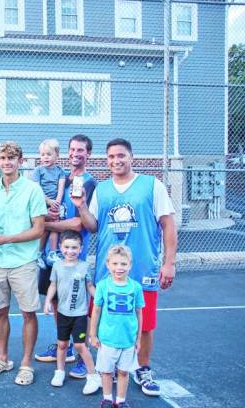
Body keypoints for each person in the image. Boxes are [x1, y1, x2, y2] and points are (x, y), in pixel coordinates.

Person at [73, 138, 177, 397]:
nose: (116, 161)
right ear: (106, 160)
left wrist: (169, 263)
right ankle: (106, 370)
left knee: (144, 324)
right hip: (108, 272)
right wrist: (82, 206)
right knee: (106, 321)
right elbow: (93, 225)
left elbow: (168, 224)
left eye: (121, 155)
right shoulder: (103, 189)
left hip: (143, 268)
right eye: (111, 157)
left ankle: (142, 368)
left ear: (132, 157)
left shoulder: (152, 186)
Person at [0, 141, 46, 386]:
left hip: (24, 262)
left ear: (20, 161)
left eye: (11, 158)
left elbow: (39, 229)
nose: (7, 162)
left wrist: (6, 239)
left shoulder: (33, 189)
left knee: (28, 313)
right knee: (0, 312)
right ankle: (2, 359)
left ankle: (26, 363)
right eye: (2, 158)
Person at [35, 134, 97, 379]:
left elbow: (78, 222)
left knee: (79, 306)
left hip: (72, 257)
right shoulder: (61, 177)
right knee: (56, 303)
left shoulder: (89, 183)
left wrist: (48, 225)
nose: (75, 154)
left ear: (88, 154)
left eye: (81, 150)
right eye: (72, 149)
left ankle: (84, 353)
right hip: (52, 256)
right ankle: (67, 345)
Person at [43, 230, 100, 394]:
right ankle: (59, 372)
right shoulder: (57, 266)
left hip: (79, 315)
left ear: (81, 248)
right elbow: (53, 285)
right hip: (62, 313)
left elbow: (89, 286)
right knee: (62, 344)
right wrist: (47, 301)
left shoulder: (84, 266)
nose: (70, 251)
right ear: (60, 247)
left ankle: (93, 376)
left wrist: (99, 298)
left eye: (74, 247)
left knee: (80, 345)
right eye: (67, 247)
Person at [89, 245, 144, 408]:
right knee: (106, 372)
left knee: (123, 372)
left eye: (123, 264)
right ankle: (107, 399)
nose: (119, 268)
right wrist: (93, 334)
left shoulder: (136, 287)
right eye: (115, 264)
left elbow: (139, 313)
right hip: (107, 339)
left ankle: (120, 401)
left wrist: (138, 338)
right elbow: (96, 311)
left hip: (127, 340)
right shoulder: (103, 286)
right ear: (108, 264)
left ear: (130, 265)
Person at [32, 138, 66, 265]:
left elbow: (61, 188)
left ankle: (52, 253)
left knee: (55, 227)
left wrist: (56, 202)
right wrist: (48, 201)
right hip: (42, 203)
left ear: (57, 155)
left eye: (49, 154)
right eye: (42, 155)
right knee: (44, 228)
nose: (45, 157)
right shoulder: (38, 171)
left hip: (55, 204)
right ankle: (39, 253)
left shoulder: (60, 171)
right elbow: (37, 189)